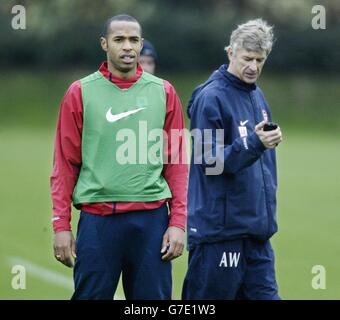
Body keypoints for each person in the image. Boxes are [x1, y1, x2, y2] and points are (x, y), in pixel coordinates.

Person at [50, 14, 188, 300]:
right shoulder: (80, 92)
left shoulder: (164, 92)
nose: (128, 47)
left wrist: (177, 222)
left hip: (151, 224)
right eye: (119, 40)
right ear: (104, 44)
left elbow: (176, 164)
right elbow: (65, 164)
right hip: (98, 223)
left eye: (134, 40)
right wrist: (61, 225)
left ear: (141, 44)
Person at [182, 18, 283, 300]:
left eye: (260, 60)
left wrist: (265, 141)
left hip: (256, 236)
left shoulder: (257, 95)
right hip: (220, 236)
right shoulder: (211, 98)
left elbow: (255, 153)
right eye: (247, 58)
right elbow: (208, 160)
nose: (253, 67)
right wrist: (254, 143)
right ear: (230, 53)